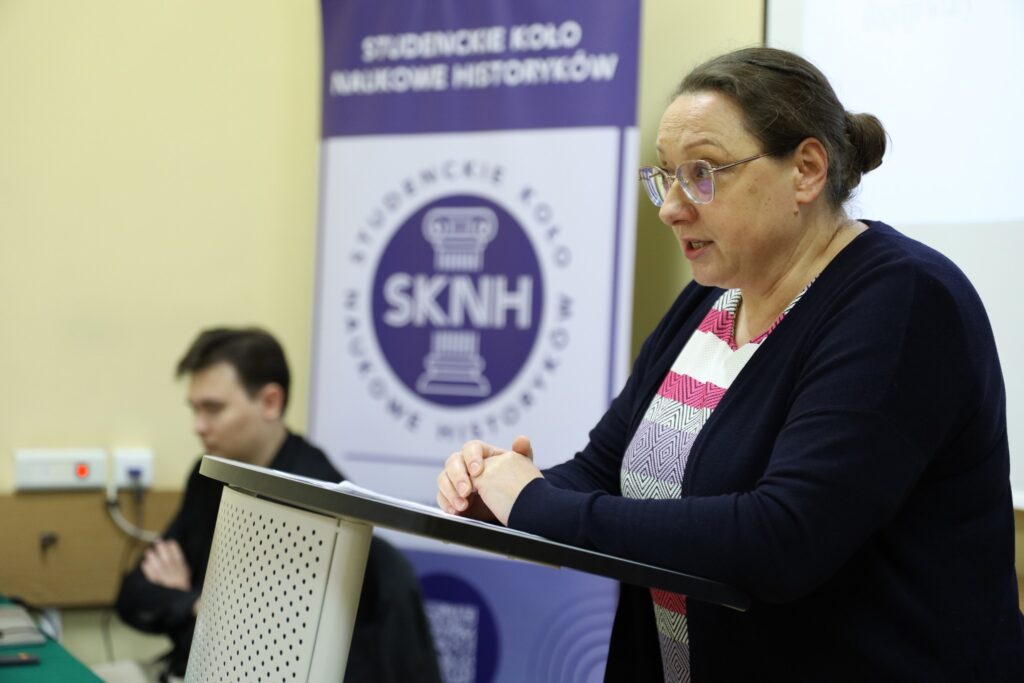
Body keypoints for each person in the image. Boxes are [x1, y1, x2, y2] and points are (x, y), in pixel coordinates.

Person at [436, 47, 1024, 681]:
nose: (670, 207)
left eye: (703, 173)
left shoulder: (903, 302)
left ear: (806, 171)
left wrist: (535, 506)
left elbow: (783, 539)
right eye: (666, 176)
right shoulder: (714, 296)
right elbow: (606, 470)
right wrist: (500, 490)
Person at [116, 327, 440, 682]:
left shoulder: (319, 498)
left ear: (270, 402)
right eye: (195, 409)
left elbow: (256, 654)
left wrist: (192, 603)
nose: (198, 426)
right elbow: (133, 595)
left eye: (213, 409)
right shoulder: (208, 476)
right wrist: (198, 604)